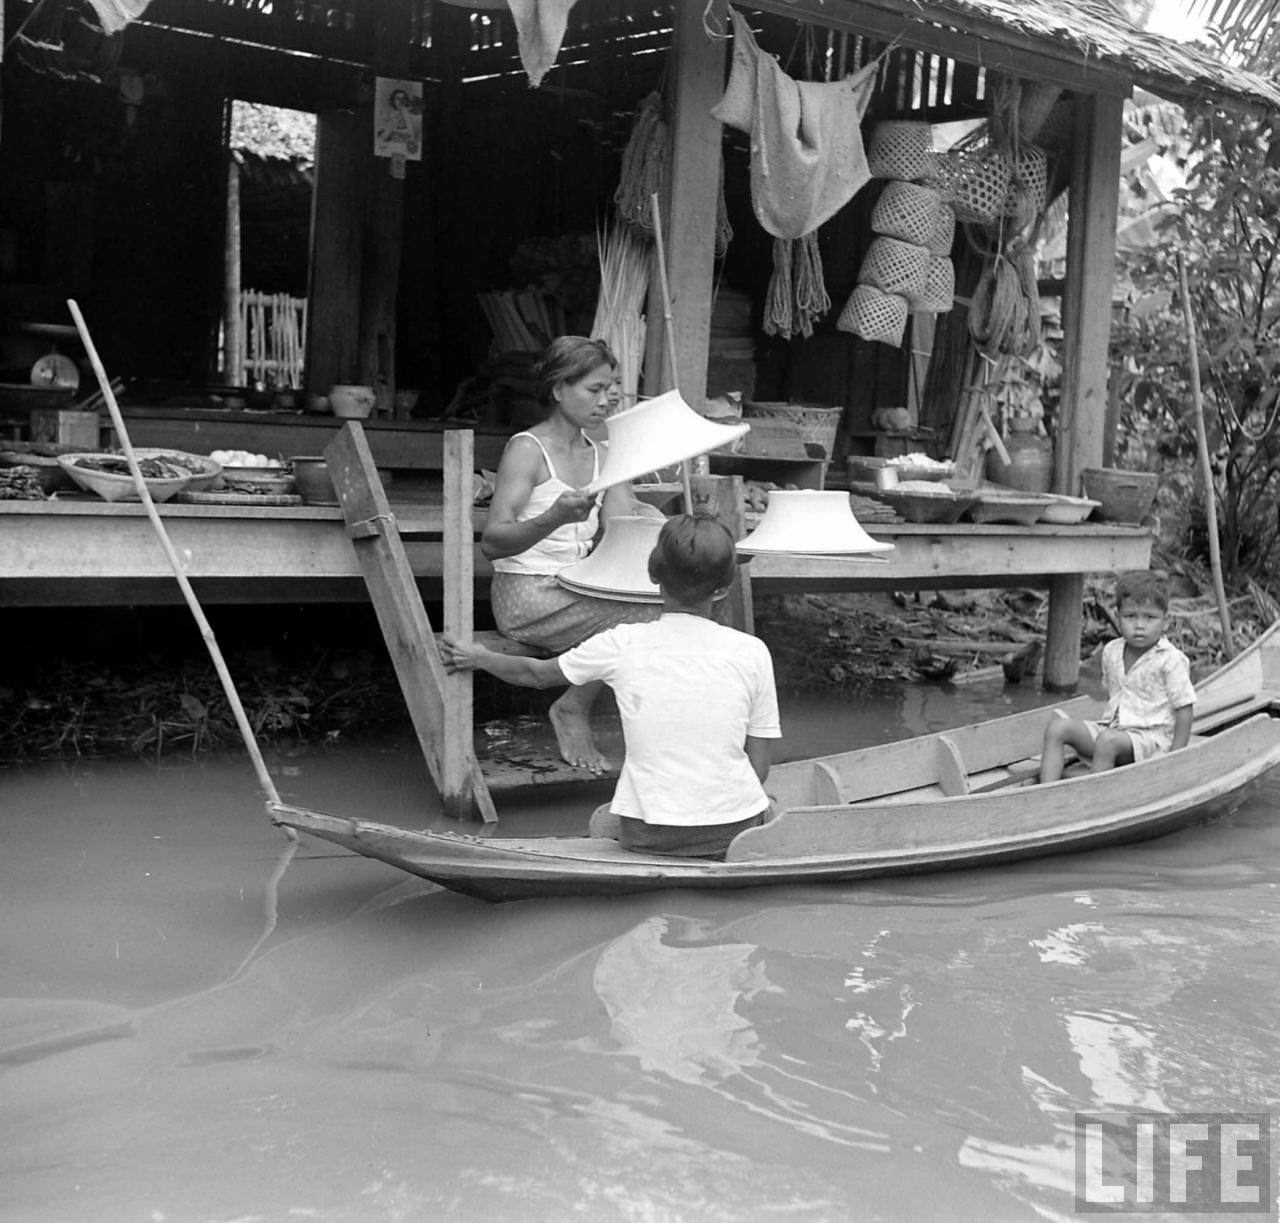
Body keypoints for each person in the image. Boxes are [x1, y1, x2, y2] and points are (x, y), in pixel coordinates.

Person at [445, 513, 782, 859]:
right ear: (724, 587)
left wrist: (479, 657)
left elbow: (535, 675)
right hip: (732, 833)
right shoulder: (752, 652)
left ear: (652, 574)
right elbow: (759, 767)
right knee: (767, 803)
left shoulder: (622, 642)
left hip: (646, 835)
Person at [482, 335, 660, 774]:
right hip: (526, 594)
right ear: (559, 389)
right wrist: (553, 518)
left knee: (663, 609)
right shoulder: (528, 450)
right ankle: (571, 708)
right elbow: (493, 541)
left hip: (578, 590)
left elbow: (623, 528)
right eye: (595, 389)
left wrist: (653, 517)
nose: (607, 399)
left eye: (611, 388)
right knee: (640, 617)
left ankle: (661, 740)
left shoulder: (605, 453)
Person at [1038, 570, 1195, 783]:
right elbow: (1113, 695)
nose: (1139, 625)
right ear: (1118, 616)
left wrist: (1175, 757)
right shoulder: (1112, 651)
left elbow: (1184, 709)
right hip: (1112, 729)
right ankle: (1047, 793)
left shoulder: (1170, 660)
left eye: (1150, 617)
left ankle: (1095, 800)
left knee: (1107, 742)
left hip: (1150, 741)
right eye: (1130, 616)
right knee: (1058, 728)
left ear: (1165, 621)